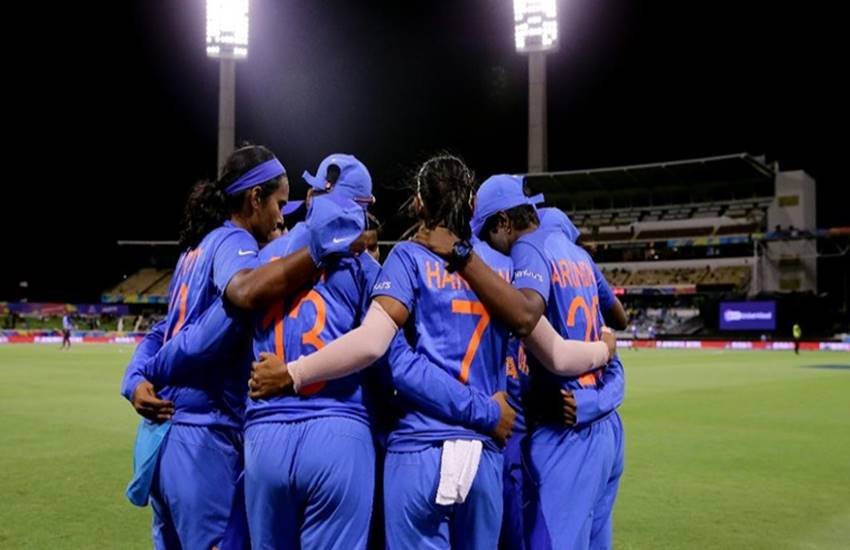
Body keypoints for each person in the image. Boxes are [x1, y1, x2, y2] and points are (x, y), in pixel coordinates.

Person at [250, 157, 613, 549]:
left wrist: (294, 372)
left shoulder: (406, 258)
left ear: (419, 203)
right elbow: (557, 354)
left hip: (418, 450)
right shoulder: (501, 269)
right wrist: (604, 349)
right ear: (472, 205)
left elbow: (378, 347)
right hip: (484, 452)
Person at [120, 144, 364, 549]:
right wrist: (319, 250)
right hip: (202, 437)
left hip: (162, 439)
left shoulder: (193, 250)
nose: (281, 218)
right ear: (255, 198)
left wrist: (135, 377)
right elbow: (245, 293)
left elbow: (162, 329)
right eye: (279, 204)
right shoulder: (235, 241)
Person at [415, 174, 625, 550]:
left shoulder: (527, 251)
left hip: (561, 433)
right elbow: (615, 327)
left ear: (504, 223)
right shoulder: (578, 257)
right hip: (601, 429)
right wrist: (604, 364)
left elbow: (539, 333)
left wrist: (462, 256)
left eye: (487, 233)